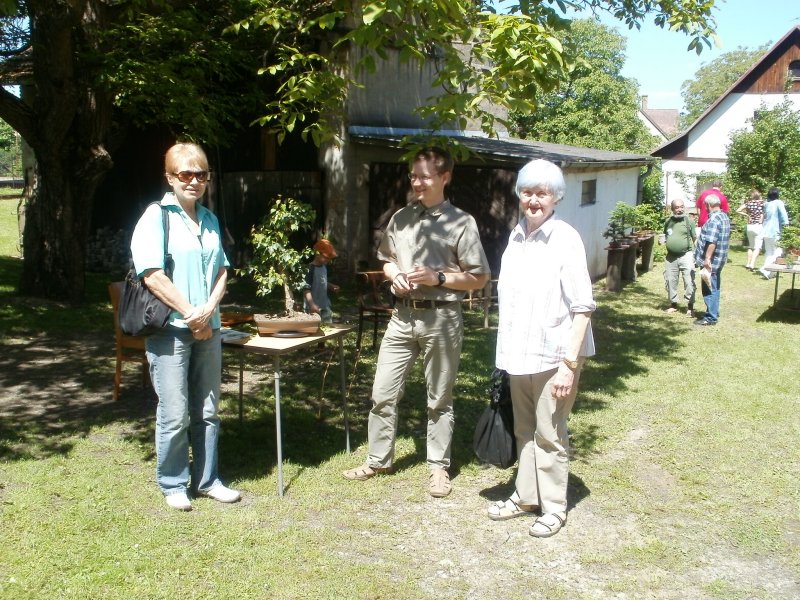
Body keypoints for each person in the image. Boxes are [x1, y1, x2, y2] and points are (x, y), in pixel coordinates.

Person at [342, 146, 490, 498]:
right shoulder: (401, 218)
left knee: (439, 398)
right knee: (382, 393)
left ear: (445, 177)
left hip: (441, 319)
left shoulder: (461, 222)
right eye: (413, 176)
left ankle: (438, 467)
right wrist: (394, 277)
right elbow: (388, 260)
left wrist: (438, 277)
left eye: (424, 176)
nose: (417, 182)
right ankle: (379, 460)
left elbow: (479, 277)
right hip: (401, 317)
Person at [486, 159, 595, 538]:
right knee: (525, 429)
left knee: (550, 433)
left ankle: (553, 508)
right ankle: (526, 495)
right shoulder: (517, 236)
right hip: (521, 354)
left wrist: (568, 364)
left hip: (555, 356)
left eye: (542, 193)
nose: (534, 200)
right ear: (520, 194)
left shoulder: (565, 239)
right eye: (528, 192)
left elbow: (582, 307)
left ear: (555, 197)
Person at [130, 142, 240, 511]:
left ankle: (208, 480)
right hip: (170, 331)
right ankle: (173, 482)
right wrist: (192, 314)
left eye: (201, 174)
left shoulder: (209, 219)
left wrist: (208, 310)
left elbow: (222, 270)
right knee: (174, 411)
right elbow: (152, 275)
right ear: (170, 177)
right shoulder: (155, 216)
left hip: (208, 329)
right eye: (185, 174)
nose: (194, 181)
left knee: (208, 409)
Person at [693, 194, 730, 326]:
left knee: (709, 287)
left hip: (712, 260)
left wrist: (707, 258)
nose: (705, 209)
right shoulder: (724, 216)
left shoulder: (714, 220)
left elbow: (712, 241)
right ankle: (713, 311)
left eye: (705, 207)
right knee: (715, 286)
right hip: (720, 259)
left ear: (708, 205)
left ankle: (710, 317)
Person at [661, 199, 696, 316]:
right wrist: (663, 241)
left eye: (682, 206)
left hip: (686, 255)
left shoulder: (689, 221)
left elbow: (695, 239)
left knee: (689, 281)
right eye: (677, 207)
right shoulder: (668, 222)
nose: (680, 209)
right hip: (671, 257)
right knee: (670, 280)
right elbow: (665, 235)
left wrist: (696, 255)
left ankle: (690, 307)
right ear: (672, 209)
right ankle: (673, 304)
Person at [303, 238, 340, 324]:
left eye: (330, 258)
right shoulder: (310, 269)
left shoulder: (324, 267)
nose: (329, 260)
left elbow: (321, 281)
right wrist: (312, 304)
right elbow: (306, 288)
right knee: (313, 330)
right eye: (327, 258)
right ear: (317, 254)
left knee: (328, 328)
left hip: (324, 305)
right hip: (312, 307)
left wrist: (331, 286)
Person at [759, 187, 790, 280]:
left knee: (769, 252)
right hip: (775, 231)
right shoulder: (778, 203)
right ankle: (768, 271)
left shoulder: (767, 204)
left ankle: (766, 269)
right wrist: (787, 228)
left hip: (765, 230)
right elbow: (784, 217)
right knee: (778, 251)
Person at [736, 190, 764, 270]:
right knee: (757, 247)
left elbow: (737, 210)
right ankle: (752, 264)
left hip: (750, 226)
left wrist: (747, 215)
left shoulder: (748, 204)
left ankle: (748, 263)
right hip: (758, 226)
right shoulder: (761, 203)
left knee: (751, 246)